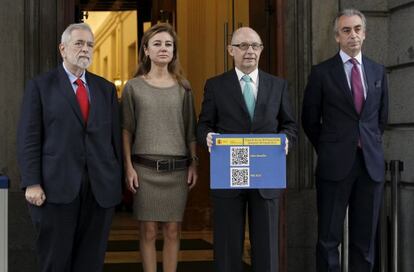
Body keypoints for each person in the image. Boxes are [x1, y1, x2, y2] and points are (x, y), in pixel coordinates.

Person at [17, 23, 122, 271]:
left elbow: (114, 139)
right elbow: (29, 137)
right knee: (56, 261)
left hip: (99, 191)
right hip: (55, 189)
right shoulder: (41, 86)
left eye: (90, 45)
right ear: (63, 49)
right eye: (79, 43)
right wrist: (31, 181)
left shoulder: (105, 89)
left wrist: (116, 180)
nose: (85, 49)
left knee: (91, 262)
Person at [197, 27, 297, 272]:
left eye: (255, 45)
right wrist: (208, 137)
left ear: (261, 50)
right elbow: (203, 124)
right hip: (230, 171)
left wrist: (285, 140)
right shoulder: (215, 85)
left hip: (266, 174)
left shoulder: (278, 85)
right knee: (228, 246)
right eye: (243, 46)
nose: (249, 51)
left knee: (266, 246)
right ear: (231, 50)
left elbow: (290, 126)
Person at [302, 9, 388, 272]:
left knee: (365, 242)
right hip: (334, 166)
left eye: (357, 29)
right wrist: (330, 148)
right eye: (346, 30)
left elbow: (381, 119)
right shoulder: (321, 73)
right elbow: (309, 120)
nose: (353, 35)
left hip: (370, 167)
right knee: (328, 239)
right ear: (337, 36)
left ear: (365, 33)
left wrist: (366, 144)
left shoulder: (377, 71)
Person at [121, 23, 198, 272]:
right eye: (157, 43)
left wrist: (194, 163)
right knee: (148, 230)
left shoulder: (184, 88)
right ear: (146, 50)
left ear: (174, 51)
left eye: (168, 44)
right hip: (144, 169)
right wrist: (128, 167)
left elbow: (190, 130)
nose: (163, 48)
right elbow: (126, 130)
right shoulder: (133, 87)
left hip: (176, 171)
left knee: (173, 230)